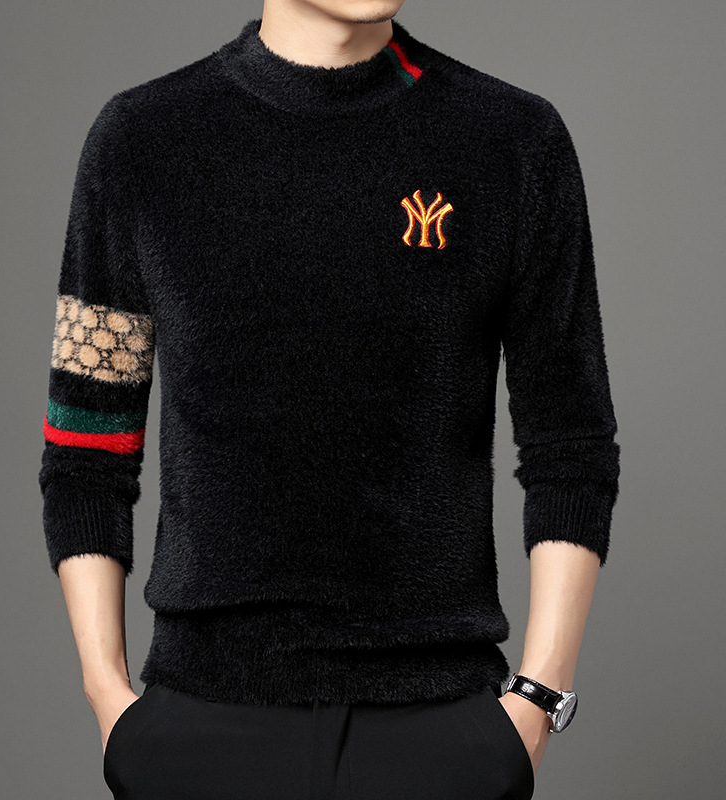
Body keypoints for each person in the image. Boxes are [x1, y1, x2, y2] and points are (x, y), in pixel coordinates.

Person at [38, 1, 620, 798]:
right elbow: (85, 440)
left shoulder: (512, 140)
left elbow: (571, 442)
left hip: (441, 736)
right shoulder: (140, 140)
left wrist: (538, 700)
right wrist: (109, 699)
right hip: (199, 730)